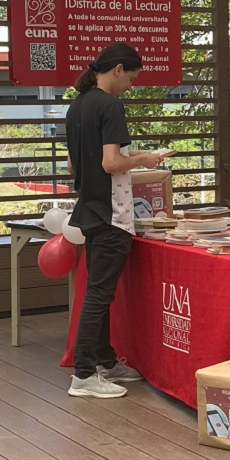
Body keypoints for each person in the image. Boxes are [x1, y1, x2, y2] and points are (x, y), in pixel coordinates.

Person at [65, 42, 164, 398]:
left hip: (89, 211)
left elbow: (76, 165)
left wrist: (129, 153)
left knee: (97, 294)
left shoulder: (78, 105)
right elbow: (109, 164)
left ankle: (106, 360)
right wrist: (144, 161)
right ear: (118, 69)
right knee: (98, 296)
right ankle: (83, 375)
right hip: (112, 214)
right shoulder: (110, 105)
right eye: (132, 78)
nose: (131, 86)